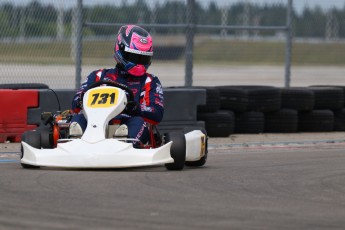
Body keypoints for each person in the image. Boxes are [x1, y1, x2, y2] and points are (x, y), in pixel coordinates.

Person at [69, 25, 164, 147]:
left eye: (143, 58)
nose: (139, 63)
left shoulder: (150, 81)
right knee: (79, 118)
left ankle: (123, 142)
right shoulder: (99, 75)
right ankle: (75, 141)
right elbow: (75, 104)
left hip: (128, 122)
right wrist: (81, 99)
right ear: (121, 50)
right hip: (95, 121)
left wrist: (136, 108)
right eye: (134, 57)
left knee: (139, 122)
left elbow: (157, 113)